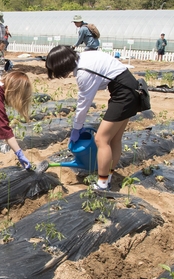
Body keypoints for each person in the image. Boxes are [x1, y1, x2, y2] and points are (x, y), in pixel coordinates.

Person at [46, 45, 151, 191]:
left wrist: (76, 128)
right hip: (130, 89)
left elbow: (84, 104)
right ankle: (108, 176)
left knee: (101, 139)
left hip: (124, 94)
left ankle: (102, 184)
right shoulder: (85, 57)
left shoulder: (83, 72)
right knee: (114, 139)